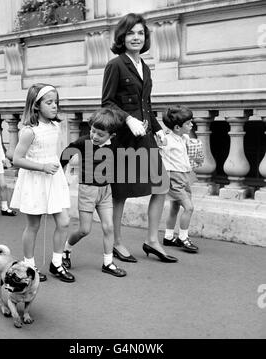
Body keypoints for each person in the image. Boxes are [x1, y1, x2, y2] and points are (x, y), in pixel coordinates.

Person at [101, 13, 178, 263]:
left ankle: (152, 240)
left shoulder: (144, 66)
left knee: (161, 186)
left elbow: (147, 104)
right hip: (123, 139)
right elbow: (107, 102)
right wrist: (128, 119)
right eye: (131, 33)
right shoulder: (115, 65)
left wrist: (157, 128)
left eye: (141, 33)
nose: (136, 37)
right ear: (122, 37)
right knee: (120, 193)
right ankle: (116, 243)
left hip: (145, 137)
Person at [10, 83, 75, 283]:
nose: (55, 106)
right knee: (33, 225)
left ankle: (57, 262)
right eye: (49, 102)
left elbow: (54, 153)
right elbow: (16, 159)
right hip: (35, 179)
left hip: (53, 178)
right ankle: (29, 265)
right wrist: (42, 167)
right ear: (36, 105)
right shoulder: (29, 131)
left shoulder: (55, 126)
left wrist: (63, 168)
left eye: (56, 102)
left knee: (64, 221)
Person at [60, 108, 127, 277]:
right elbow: (66, 154)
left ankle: (108, 262)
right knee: (84, 229)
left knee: (109, 227)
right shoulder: (84, 142)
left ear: (111, 136)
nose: (95, 136)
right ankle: (66, 249)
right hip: (88, 190)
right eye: (93, 131)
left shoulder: (115, 145)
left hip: (106, 191)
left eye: (100, 134)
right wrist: (60, 172)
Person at [159, 105, 200, 253]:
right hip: (174, 176)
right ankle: (183, 238)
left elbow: (191, 146)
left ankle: (169, 236)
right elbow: (159, 148)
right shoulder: (167, 140)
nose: (192, 125)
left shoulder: (184, 137)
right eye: (188, 123)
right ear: (177, 127)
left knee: (175, 207)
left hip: (184, 176)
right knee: (189, 207)